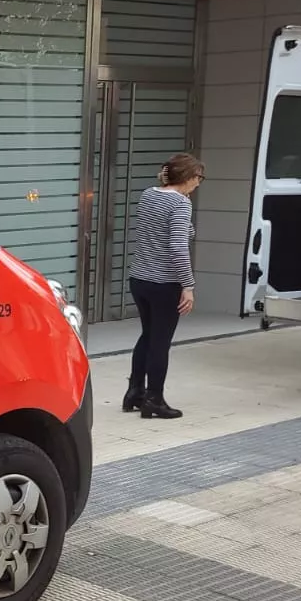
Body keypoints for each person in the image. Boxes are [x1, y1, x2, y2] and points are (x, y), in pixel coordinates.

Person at [123, 153, 202, 420]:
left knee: (147, 335)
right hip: (164, 283)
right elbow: (179, 246)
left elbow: (174, 233)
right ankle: (154, 399)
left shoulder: (148, 194)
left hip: (140, 279)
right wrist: (188, 285)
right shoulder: (180, 203)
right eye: (198, 178)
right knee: (160, 342)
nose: (198, 184)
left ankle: (135, 391)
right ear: (189, 177)